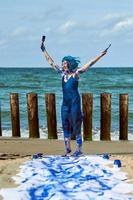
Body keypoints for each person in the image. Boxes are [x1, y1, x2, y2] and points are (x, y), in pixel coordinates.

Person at [41, 39, 107, 157]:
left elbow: (89, 64)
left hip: (75, 104)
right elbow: (50, 62)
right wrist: (43, 50)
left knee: (76, 127)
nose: (63, 65)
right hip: (65, 105)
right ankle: (67, 149)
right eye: (63, 63)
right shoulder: (62, 73)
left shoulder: (76, 74)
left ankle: (79, 150)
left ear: (70, 64)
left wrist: (100, 55)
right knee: (65, 125)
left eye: (65, 63)